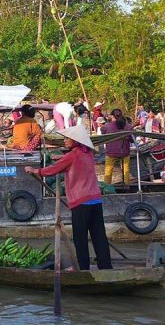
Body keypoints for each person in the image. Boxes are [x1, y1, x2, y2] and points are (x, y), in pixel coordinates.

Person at [25, 125, 112, 271]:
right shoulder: (88, 153)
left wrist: (35, 170)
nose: (65, 141)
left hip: (81, 201)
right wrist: (62, 157)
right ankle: (106, 266)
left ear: (75, 140)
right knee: (99, 235)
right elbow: (71, 160)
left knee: (80, 237)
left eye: (67, 138)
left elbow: (52, 170)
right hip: (95, 200)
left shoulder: (72, 156)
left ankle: (82, 267)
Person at [101, 109, 134, 184]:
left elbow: (102, 132)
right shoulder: (128, 126)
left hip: (111, 153)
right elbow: (132, 140)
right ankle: (126, 186)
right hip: (125, 152)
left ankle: (107, 186)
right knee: (126, 171)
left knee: (108, 171)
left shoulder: (107, 126)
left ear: (112, 116)